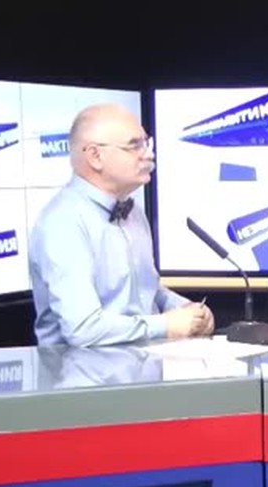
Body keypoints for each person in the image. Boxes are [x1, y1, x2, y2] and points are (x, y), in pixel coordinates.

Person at [29, 103, 213, 347]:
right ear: (95, 156)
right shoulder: (63, 223)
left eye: (146, 143)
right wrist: (167, 325)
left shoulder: (133, 211)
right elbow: (83, 329)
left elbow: (147, 291)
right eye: (135, 146)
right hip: (83, 369)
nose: (148, 154)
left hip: (144, 363)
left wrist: (187, 310)